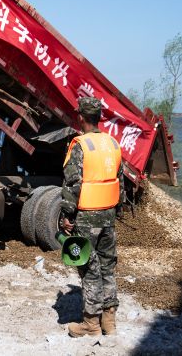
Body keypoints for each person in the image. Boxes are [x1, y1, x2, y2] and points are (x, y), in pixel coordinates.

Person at [60, 96, 125, 338]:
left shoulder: (80, 145)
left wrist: (67, 215)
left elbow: (72, 184)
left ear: (81, 117)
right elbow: (120, 183)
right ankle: (110, 322)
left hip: (86, 219)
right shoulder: (113, 143)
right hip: (108, 218)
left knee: (88, 270)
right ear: (99, 117)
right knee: (108, 268)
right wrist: (115, 212)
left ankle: (91, 324)